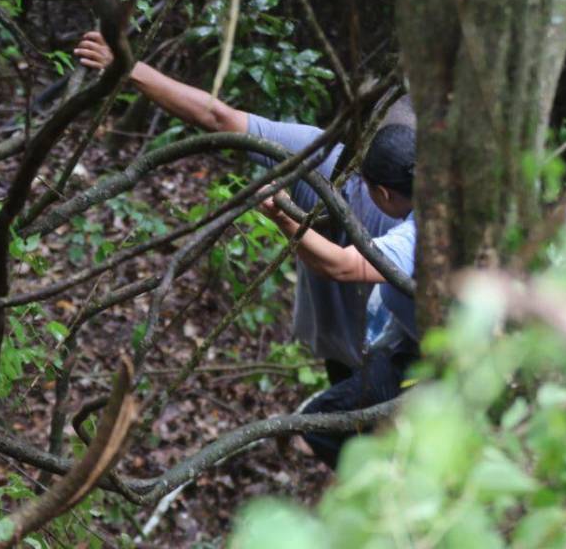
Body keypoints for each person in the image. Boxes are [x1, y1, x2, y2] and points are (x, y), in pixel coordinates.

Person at [74, 31, 408, 382]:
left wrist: (131, 69)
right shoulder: (320, 160)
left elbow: (220, 118)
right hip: (366, 357)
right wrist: (130, 68)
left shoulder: (321, 158)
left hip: (388, 363)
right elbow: (219, 119)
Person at [260, 124, 418, 469]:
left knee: (320, 424)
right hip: (407, 343)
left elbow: (345, 266)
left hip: (428, 363)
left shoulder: (418, 234)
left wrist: (286, 220)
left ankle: (375, 483)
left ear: (385, 194)